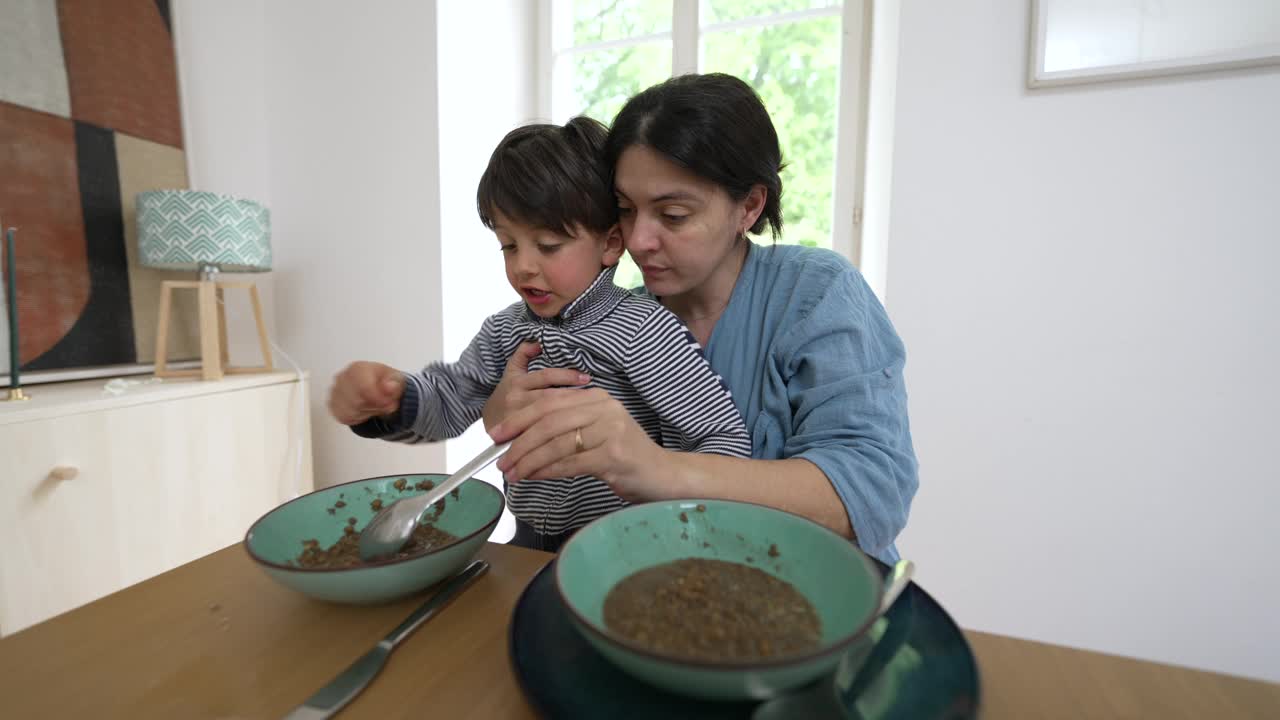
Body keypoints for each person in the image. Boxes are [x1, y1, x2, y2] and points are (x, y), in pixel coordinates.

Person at [485, 74, 919, 564]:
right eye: (626, 211)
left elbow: (871, 491)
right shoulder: (618, 323)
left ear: (749, 207)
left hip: (816, 594)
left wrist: (659, 468)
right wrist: (504, 410)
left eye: (672, 215)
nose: (639, 239)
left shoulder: (816, 292)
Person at [328, 117, 750, 552]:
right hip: (528, 539)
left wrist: (674, 512)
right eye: (509, 245)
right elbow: (451, 399)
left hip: (632, 545)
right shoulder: (506, 329)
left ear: (609, 244)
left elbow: (722, 439)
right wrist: (393, 400)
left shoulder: (642, 329)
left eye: (547, 246)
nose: (523, 265)